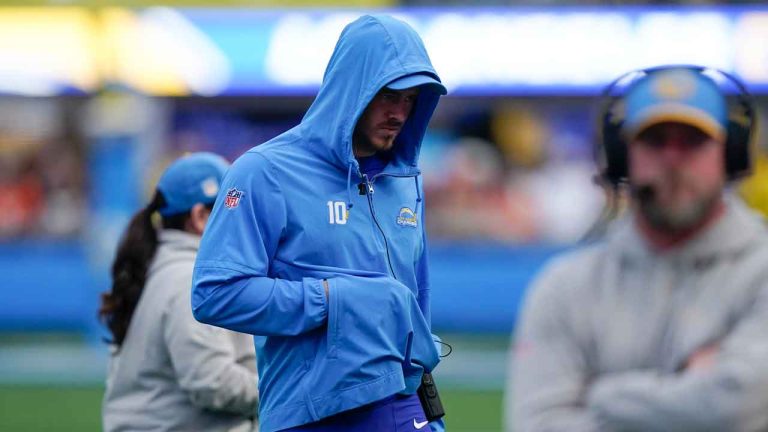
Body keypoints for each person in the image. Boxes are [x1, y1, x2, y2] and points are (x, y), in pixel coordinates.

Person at [191, 14, 447, 432]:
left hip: (404, 406)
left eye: (411, 98)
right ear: (352, 86)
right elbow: (215, 294)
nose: (399, 112)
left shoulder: (405, 181)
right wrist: (333, 299)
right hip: (311, 414)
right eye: (388, 94)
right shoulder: (263, 171)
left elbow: (417, 298)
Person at [507, 66, 768, 431]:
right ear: (619, 155)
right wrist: (696, 392)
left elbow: (739, 407)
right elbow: (537, 425)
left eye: (692, 141)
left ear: (732, 154)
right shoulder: (565, 287)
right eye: (655, 140)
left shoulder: (761, 272)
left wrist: (604, 396)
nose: (673, 159)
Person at [100, 152, 259, 432]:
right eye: (233, 210)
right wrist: (284, 390)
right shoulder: (188, 279)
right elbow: (213, 383)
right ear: (200, 217)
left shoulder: (158, 267)